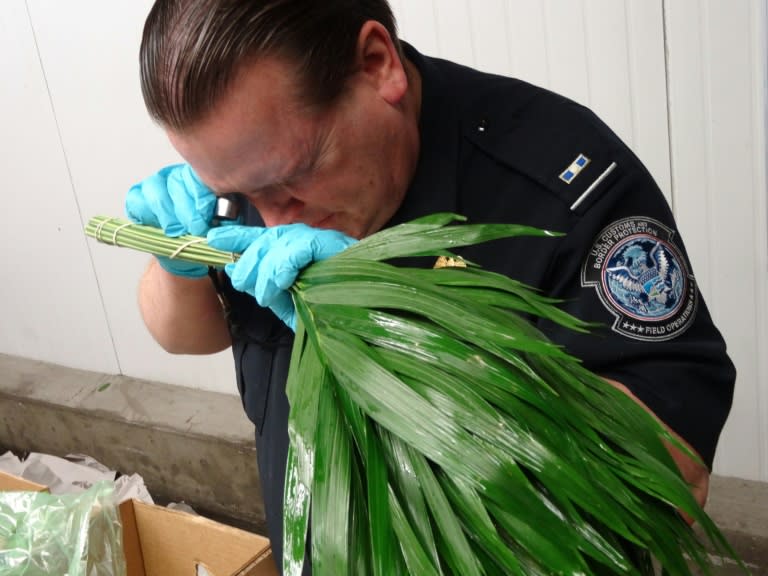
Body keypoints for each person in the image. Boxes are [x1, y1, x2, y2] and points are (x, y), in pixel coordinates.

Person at [125, 1, 735, 573]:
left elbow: (668, 468)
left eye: (294, 180)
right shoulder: (258, 165)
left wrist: (401, 339)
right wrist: (175, 260)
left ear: (376, 65)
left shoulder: (554, 185)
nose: (274, 219)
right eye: (241, 191)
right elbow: (182, 332)